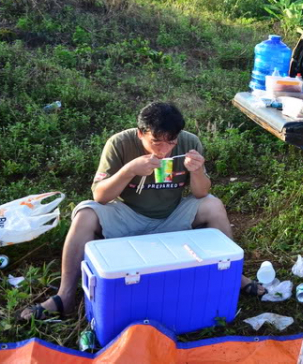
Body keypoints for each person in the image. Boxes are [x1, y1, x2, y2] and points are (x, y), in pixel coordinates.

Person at [21, 102, 263, 320]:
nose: (164, 150)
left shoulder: (190, 142)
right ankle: (65, 297)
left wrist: (197, 171)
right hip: (128, 215)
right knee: (85, 213)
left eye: (171, 141)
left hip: (172, 215)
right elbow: (100, 196)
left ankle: (234, 277)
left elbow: (201, 193)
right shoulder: (120, 143)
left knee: (213, 204)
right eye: (156, 141)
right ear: (140, 133)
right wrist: (129, 170)